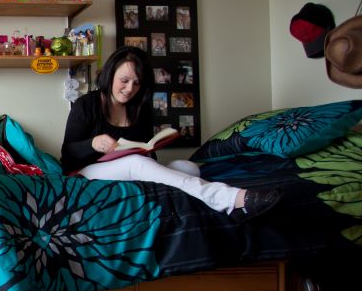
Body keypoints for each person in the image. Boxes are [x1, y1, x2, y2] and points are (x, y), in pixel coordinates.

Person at [60, 47, 282, 220]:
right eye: (124, 81)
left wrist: (149, 151)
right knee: (137, 163)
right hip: (84, 174)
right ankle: (231, 199)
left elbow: (146, 152)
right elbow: (67, 157)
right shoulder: (86, 104)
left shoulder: (139, 109)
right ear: (110, 75)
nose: (129, 89)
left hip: (129, 169)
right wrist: (93, 144)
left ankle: (196, 205)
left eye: (136, 84)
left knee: (189, 167)